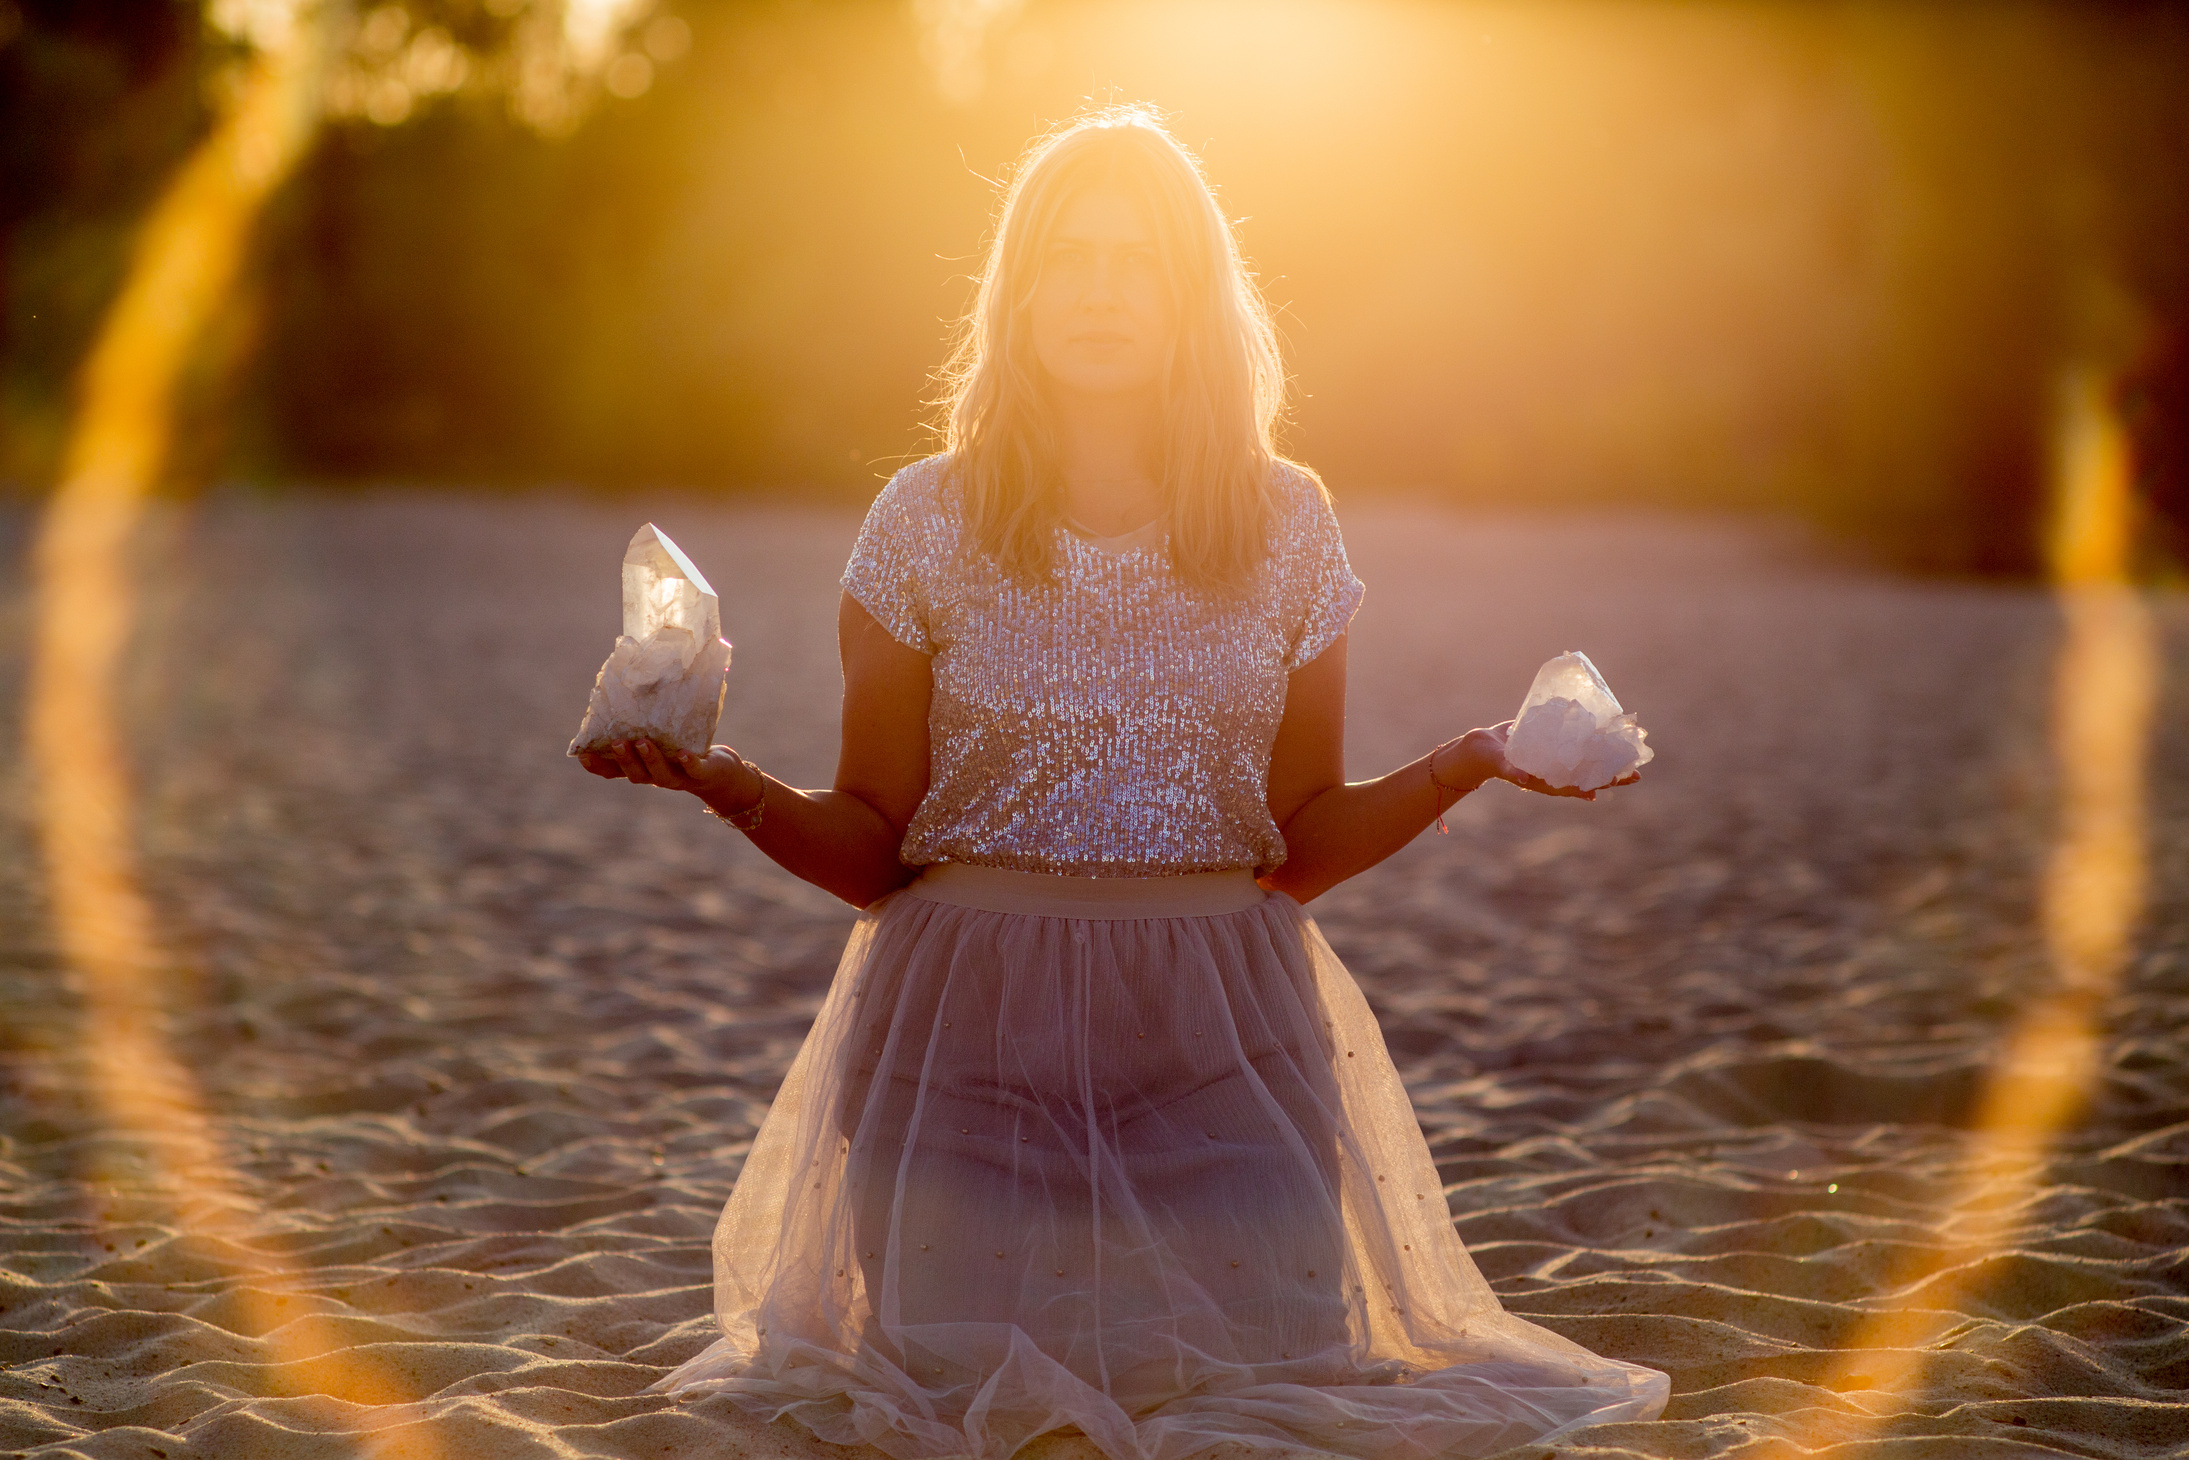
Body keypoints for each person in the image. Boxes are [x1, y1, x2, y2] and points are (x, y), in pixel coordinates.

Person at [576, 106, 1666, 1460]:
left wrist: (1478, 758)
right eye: (1065, 259)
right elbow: (872, 851)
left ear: (1187, 295)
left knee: (1250, 1396)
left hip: (1219, 1043)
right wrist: (723, 782)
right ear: (1015, 294)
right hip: (965, 1054)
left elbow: (1298, 847)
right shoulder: (922, 517)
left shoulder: (1285, 522)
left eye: (1134, 260)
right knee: (978, 1408)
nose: (1097, 292)